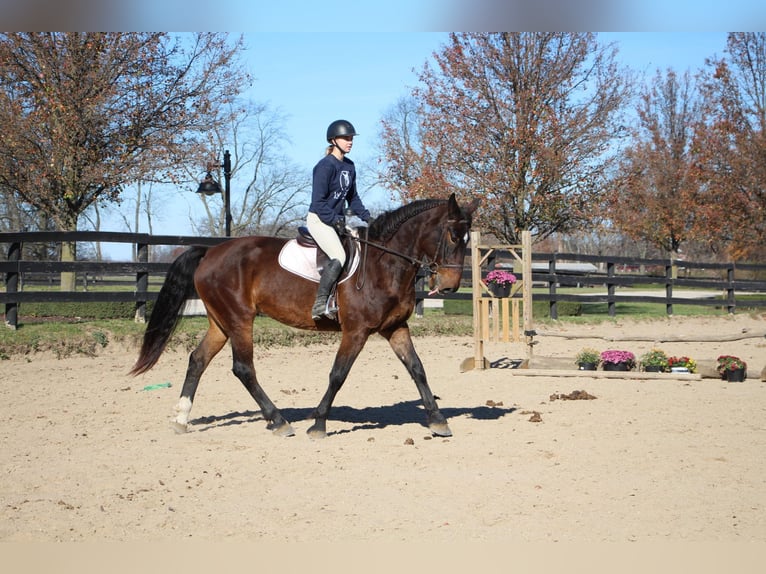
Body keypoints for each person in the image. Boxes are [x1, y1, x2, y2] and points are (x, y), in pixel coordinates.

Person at [307, 119, 371, 320]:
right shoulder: (325, 166)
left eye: (351, 138)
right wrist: (336, 221)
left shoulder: (350, 166)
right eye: (346, 138)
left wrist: (369, 218)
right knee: (339, 256)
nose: (350, 141)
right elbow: (318, 202)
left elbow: (353, 198)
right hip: (319, 220)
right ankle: (320, 303)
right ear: (333, 140)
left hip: (337, 221)